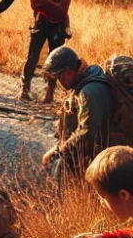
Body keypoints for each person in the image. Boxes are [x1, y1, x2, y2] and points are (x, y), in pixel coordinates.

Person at [40, 46, 113, 178]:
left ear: (67, 71)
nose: (59, 82)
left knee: (58, 170)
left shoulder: (89, 91)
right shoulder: (87, 78)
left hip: (99, 158)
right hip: (95, 153)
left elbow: (86, 134)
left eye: (58, 77)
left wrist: (58, 151)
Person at [21, 0, 74, 103]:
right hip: (43, 23)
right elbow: (34, 1)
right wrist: (51, 7)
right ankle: (24, 88)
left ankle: (49, 93)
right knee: (33, 56)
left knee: (54, 59)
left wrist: (44, 4)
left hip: (55, 26)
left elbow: (61, 9)